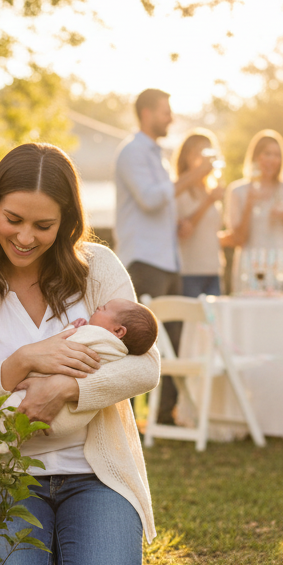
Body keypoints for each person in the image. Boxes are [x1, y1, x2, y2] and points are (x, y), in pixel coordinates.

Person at [0, 142, 160, 565]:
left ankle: (74, 554)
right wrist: (20, 363)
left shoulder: (98, 269)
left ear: (67, 223)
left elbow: (145, 367)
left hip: (93, 474)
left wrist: (68, 389)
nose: (26, 237)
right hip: (2, 475)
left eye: (43, 225)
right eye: (13, 218)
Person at [114, 88, 211, 423]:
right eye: (164, 111)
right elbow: (151, 199)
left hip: (168, 260)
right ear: (146, 113)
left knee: (172, 340)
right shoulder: (132, 153)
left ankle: (163, 415)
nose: (169, 117)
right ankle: (124, 419)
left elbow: (161, 208)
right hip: (143, 260)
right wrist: (193, 177)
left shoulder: (158, 155)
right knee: (134, 343)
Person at [2, 299, 159, 433]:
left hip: (38, 394)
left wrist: (71, 329)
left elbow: (58, 346)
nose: (98, 307)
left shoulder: (96, 335)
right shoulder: (119, 351)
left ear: (118, 330)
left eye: (103, 309)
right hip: (72, 421)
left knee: (8, 413)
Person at [224, 129, 283, 288]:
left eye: (277, 155)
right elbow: (239, 239)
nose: (272, 159)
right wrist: (249, 204)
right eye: (267, 153)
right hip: (250, 273)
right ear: (255, 157)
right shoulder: (237, 191)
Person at [174, 128, 227, 297]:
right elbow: (184, 232)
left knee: (214, 323)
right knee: (192, 323)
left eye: (210, 153)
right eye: (201, 152)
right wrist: (209, 201)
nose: (207, 159)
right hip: (190, 272)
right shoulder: (178, 191)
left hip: (214, 270)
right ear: (187, 157)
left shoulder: (210, 190)